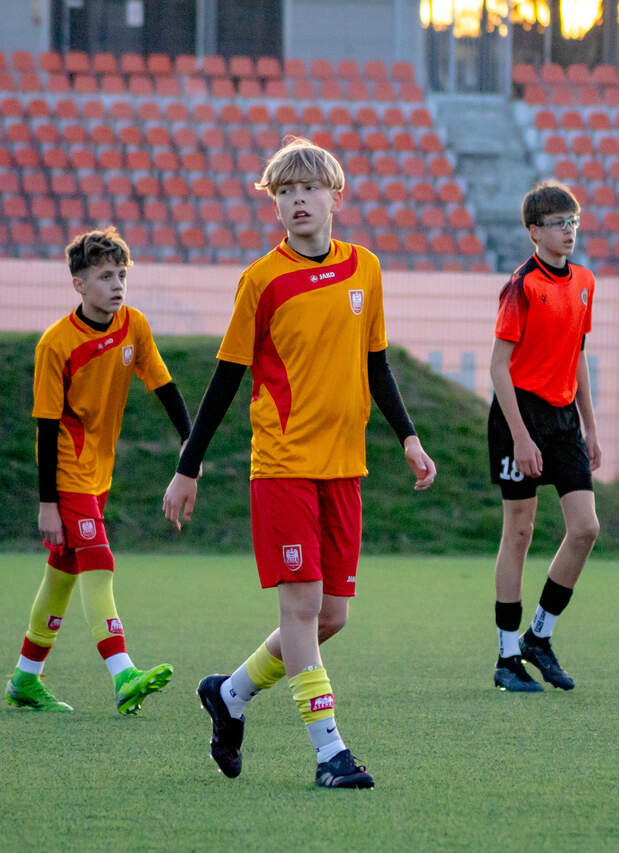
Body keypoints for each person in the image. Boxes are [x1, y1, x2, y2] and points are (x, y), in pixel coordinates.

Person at [162, 137, 436, 788]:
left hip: (345, 467)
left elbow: (376, 363)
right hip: (282, 466)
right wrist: (188, 465)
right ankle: (329, 753)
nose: (297, 200)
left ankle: (229, 694)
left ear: (335, 196)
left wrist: (408, 437)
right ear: (275, 204)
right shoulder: (261, 280)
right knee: (304, 606)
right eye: (284, 191)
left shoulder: (365, 268)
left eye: (309, 188)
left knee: (331, 615)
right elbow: (226, 379)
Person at [5, 227, 188, 714]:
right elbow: (46, 429)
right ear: (79, 284)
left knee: (62, 575)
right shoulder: (56, 344)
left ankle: (25, 679)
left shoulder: (134, 325)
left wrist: (190, 441)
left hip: (97, 473)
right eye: (105, 276)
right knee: (99, 561)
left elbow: (164, 386)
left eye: (122, 275)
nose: (117, 285)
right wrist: (47, 504)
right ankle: (124, 673)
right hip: (66, 471)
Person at [488, 180, 601, 693]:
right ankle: (506, 656)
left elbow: (577, 356)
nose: (568, 231)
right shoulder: (520, 286)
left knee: (585, 529)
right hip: (520, 416)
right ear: (534, 231)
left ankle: (539, 636)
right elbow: (499, 366)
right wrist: (520, 437)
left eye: (573, 221)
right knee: (519, 531)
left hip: (563, 418)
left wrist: (590, 428)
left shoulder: (584, 281)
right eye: (558, 223)